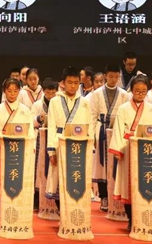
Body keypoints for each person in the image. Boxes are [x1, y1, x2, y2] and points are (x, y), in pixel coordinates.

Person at [109, 76, 152, 232]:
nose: (140, 94)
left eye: (143, 91)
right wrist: (118, 150)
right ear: (132, 91)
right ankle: (131, 219)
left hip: (147, 151)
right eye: (137, 91)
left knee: (145, 182)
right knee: (128, 185)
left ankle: (145, 217)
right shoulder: (123, 108)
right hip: (128, 148)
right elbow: (118, 130)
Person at [46, 67, 93, 209]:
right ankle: (62, 211)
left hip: (79, 144)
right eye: (70, 82)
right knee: (59, 178)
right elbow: (51, 126)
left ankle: (75, 209)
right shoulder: (55, 101)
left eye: (76, 83)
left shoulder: (85, 102)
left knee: (76, 176)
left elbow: (89, 126)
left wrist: (90, 147)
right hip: (59, 142)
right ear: (63, 83)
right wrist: (51, 151)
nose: (73, 86)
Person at [0, 78, 35, 198]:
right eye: (9, 91)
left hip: (20, 150)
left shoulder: (25, 110)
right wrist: (5, 143)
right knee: (3, 176)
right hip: (3, 148)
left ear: (19, 91)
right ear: (4, 91)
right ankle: (1, 201)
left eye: (15, 91)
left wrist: (24, 144)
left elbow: (30, 132)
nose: (12, 94)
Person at [90, 64, 130, 212]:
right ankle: (104, 197)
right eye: (111, 76)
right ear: (105, 76)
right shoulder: (97, 93)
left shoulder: (124, 94)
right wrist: (93, 135)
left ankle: (116, 196)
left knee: (116, 164)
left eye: (116, 77)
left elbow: (126, 115)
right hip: (101, 130)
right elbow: (92, 115)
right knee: (101, 166)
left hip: (117, 131)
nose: (113, 79)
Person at [31, 77, 59, 210]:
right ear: (43, 91)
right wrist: (39, 118)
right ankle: (37, 199)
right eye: (48, 93)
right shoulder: (37, 105)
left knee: (54, 168)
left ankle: (55, 201)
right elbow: (30, 122)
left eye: (53, 93)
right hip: (40, 140)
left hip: (54, 139)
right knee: (39, 169)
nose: (51, 95)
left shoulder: (59, 104)